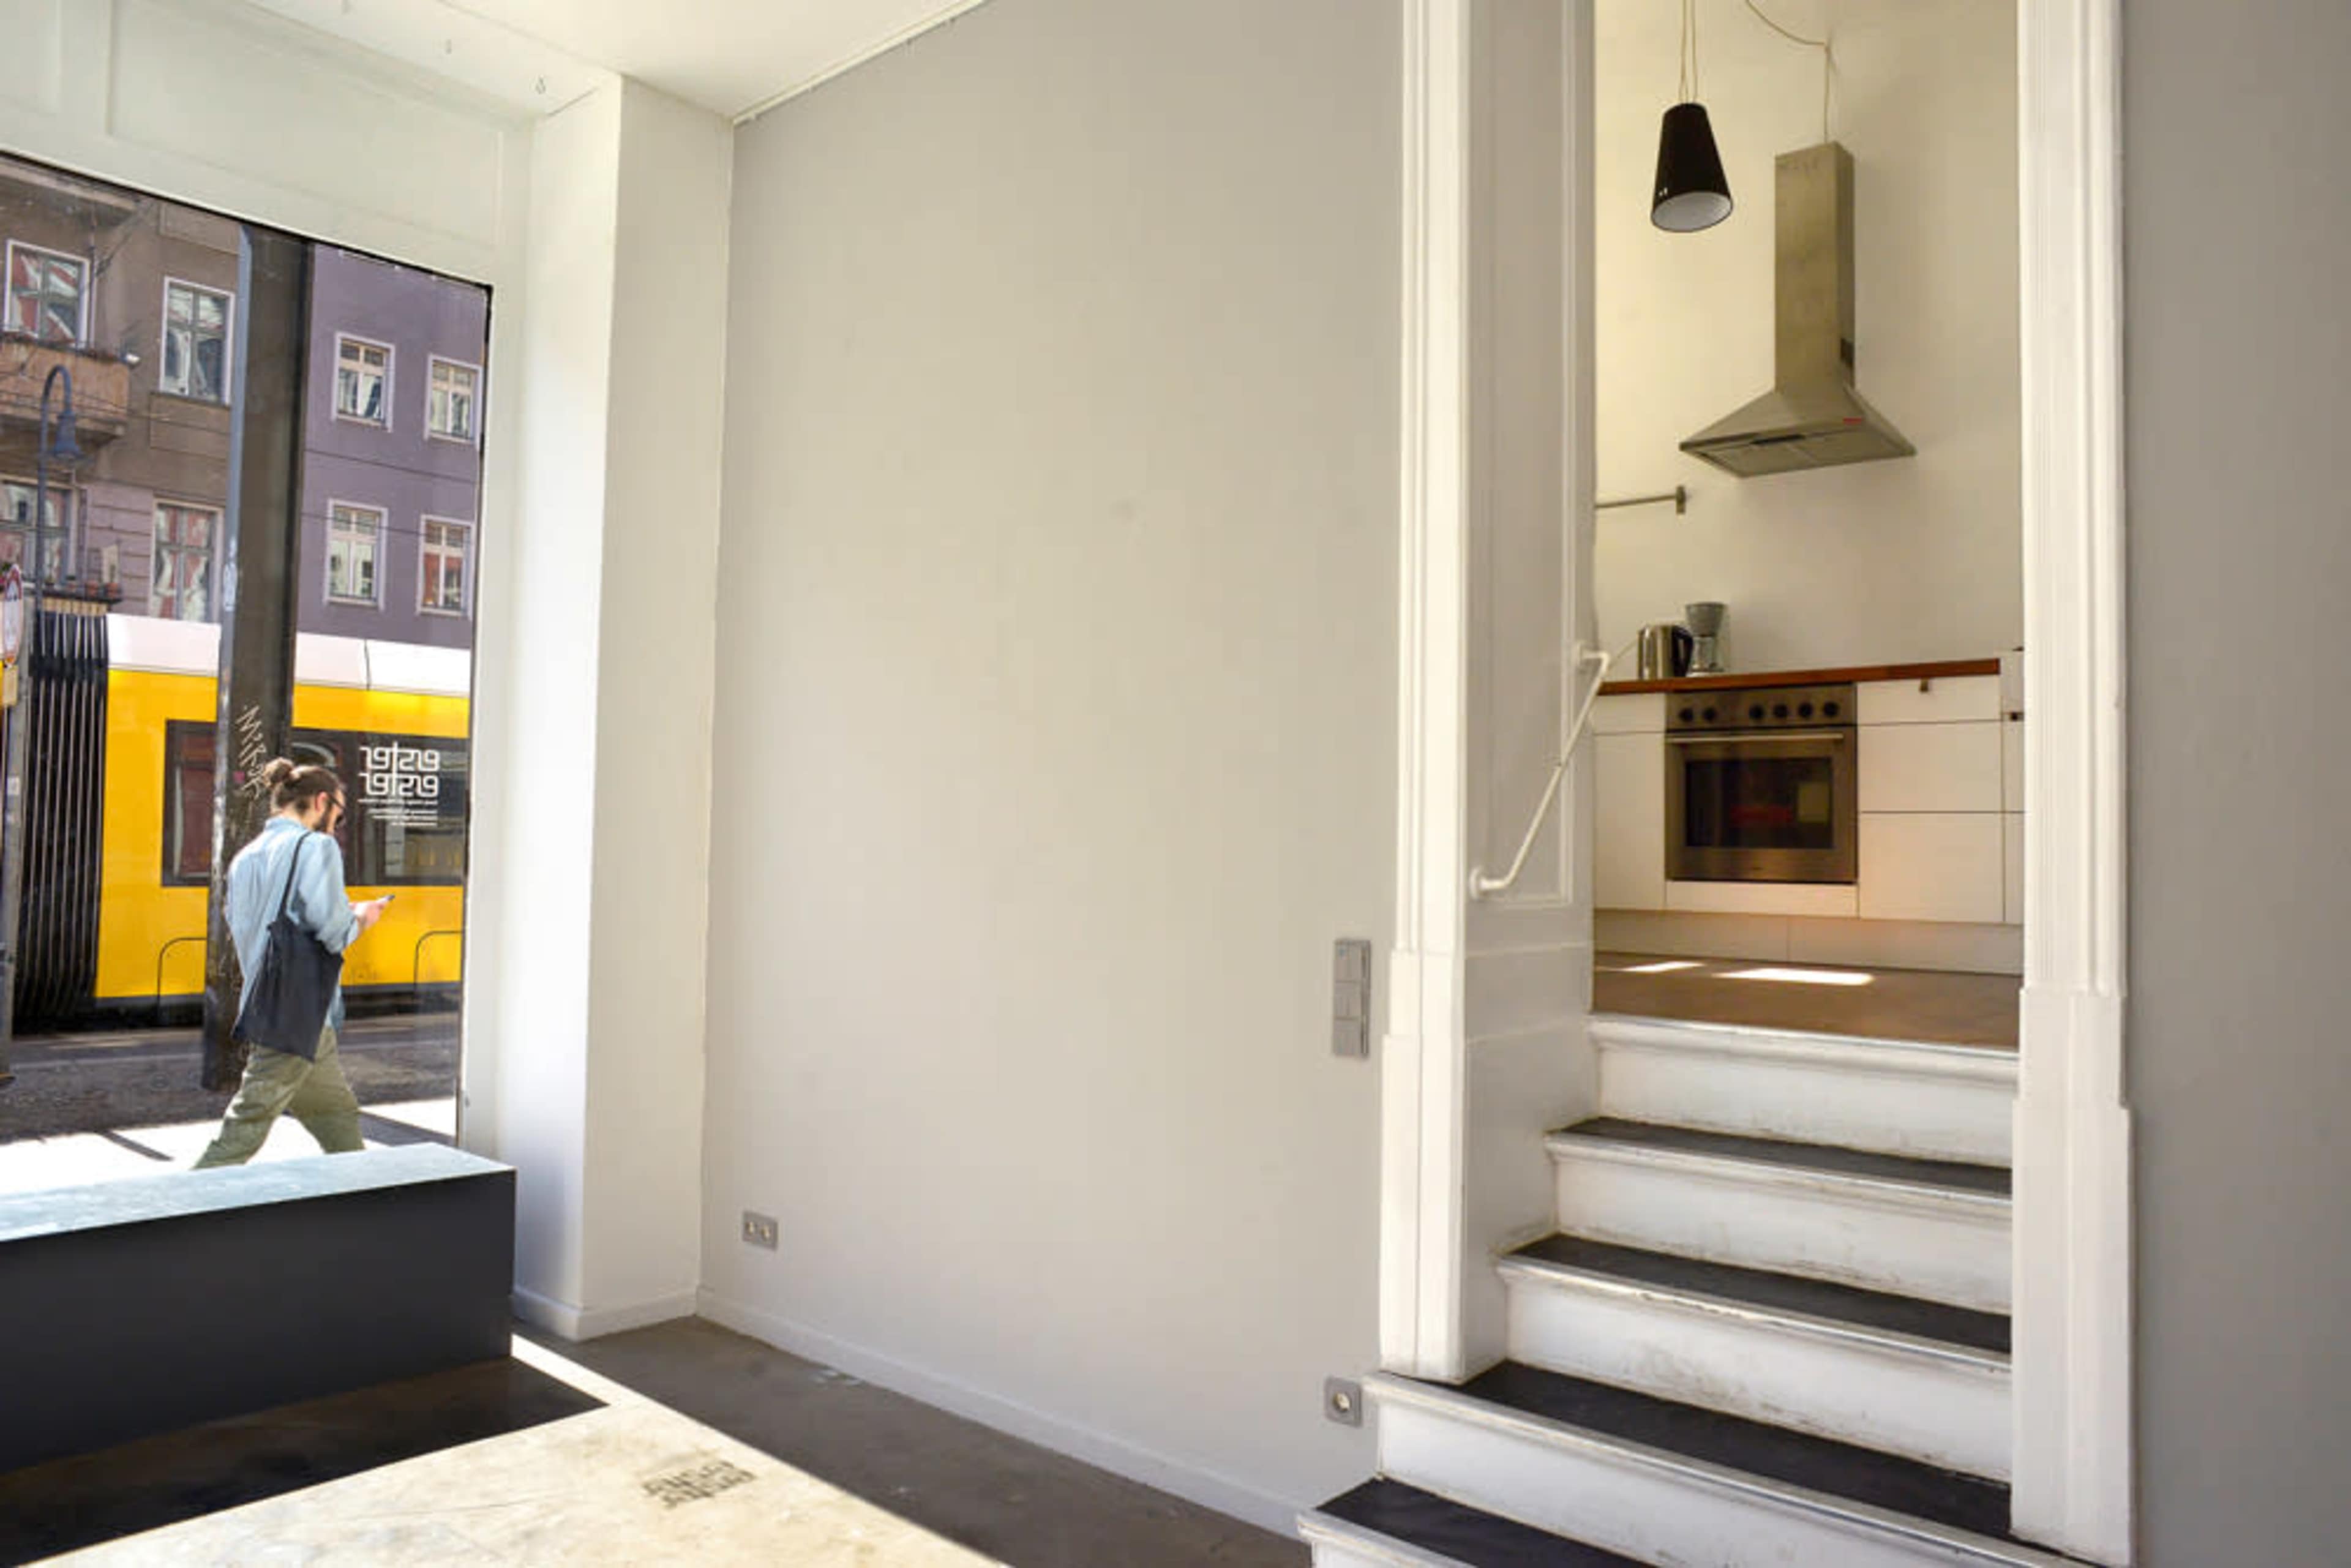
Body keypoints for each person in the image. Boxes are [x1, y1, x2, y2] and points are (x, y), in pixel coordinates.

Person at [192, 759, 391, 1168]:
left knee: (336, 1115)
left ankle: (359, 1188)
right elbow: (333, 931)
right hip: (295, 1011)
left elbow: (258, 928)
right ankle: (190, 1195)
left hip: (278, 1006)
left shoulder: (245, 857)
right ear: (321, 802)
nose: (336, 826)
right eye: (339, 815)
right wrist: (363, 916)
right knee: (246, 1125)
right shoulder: (317, 847)